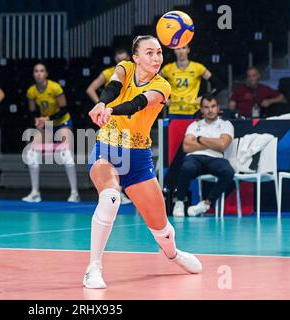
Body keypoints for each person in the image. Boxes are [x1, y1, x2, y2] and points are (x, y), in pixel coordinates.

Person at [83, 35, 202, 289]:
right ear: (135, 57)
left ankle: (173, 254)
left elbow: (138, 104)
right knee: (110, 198)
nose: (156, 58)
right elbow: (113, 88)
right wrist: (103, 102)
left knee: (163, 230)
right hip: (108, 148)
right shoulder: (124, 68)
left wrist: (109, 110)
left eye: (159, 53)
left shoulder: (162, 86)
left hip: (138, 157)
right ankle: (93, 267)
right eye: (149, 53)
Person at [23, 63, 80, 203]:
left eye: (41, 71)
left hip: (62, 122)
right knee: (31, 152)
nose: (38, 74)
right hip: (46, 125)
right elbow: (32, 112)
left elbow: (64, 110)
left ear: (46, 73)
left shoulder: (55, 87)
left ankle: (75, 193)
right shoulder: (31, 91)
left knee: (65, 153)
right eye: (36, 71)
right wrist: (36, 120)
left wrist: (47, 118)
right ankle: (35, 192)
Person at [172, 93, 235, 217]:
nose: (210, 110)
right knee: (186, 167)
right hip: (195, 158)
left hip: (216, 158)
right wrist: (213, 142)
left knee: (228, 172)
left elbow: (223, 145)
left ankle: (206, 203)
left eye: (213, 106)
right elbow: (186, 146)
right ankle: (179, 202)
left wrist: (199, 139)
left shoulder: (226, 124)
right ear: (201, 109)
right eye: (206, 107)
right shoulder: (194, 125)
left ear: (218, 108)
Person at [86, 48, 133, 205]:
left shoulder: (134, 73)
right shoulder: (108, 73)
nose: (121, 60)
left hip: (127, 117)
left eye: (123, 58)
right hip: (109, 119)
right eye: (118, 57)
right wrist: (101, 105)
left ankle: (121, 191)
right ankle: (113, 190)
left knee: (125, 156)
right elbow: (90, 89)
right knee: (111, 157)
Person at [160, 45, 223, 119]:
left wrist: (204, 98)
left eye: (184, 48)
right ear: (174, 50)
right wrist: (164, 99)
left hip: (193, 111)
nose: (181, 51)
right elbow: (153, 85)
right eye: (178, 48)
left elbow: (219, 85)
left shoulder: (197, 68)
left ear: (188, 50)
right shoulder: (168, 69)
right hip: (174, 111)